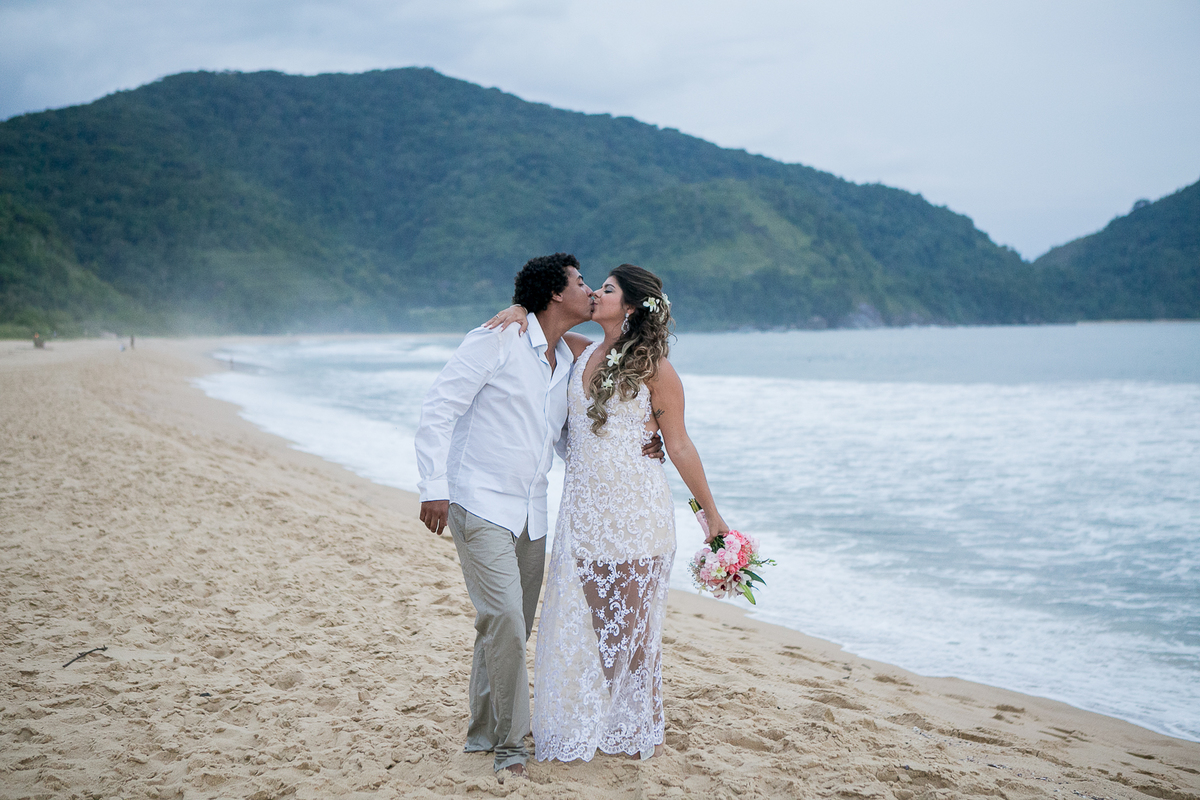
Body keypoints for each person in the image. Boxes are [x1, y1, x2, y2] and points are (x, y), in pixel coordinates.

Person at [414, 254, 662, 780]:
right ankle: (509, 746)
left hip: (533, 512)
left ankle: (482, 731)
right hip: (478, 501)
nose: (590, 291)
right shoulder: (497, 339)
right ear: (554, 294)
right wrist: (433, 488)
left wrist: (639, 444)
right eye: (581, 282)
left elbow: (573, 438)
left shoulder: (569, 360)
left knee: (509, 625)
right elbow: (439, 407)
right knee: (504, 618)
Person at [487, 264, 728, 763]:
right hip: (586, 516)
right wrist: (519, 308)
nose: (596, 292)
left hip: (637, 513)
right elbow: (544, 330)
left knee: (633, 634)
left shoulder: (656, 369)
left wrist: (713, 516)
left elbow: (679, 444)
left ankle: (641, 731)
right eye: (596, 286)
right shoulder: (580, 351)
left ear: (632, 306)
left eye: (608, 289)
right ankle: (613, 723)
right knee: (604, 629)